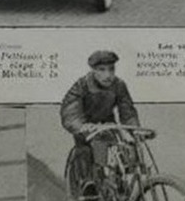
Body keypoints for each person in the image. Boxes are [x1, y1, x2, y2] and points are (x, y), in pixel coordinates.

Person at [60, 51, 140, 186]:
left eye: (111, 69)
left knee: (124, 147)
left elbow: (127, 111)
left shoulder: (119, 85)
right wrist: (81, 126)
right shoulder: (81, 86)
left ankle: (118, 183)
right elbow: (70, 111)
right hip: (85, 124)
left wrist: (135, 129)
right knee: (84, 148)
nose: (108, 75)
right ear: (93, 71)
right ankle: (87, 183)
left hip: (107, 123)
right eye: (102, 70)